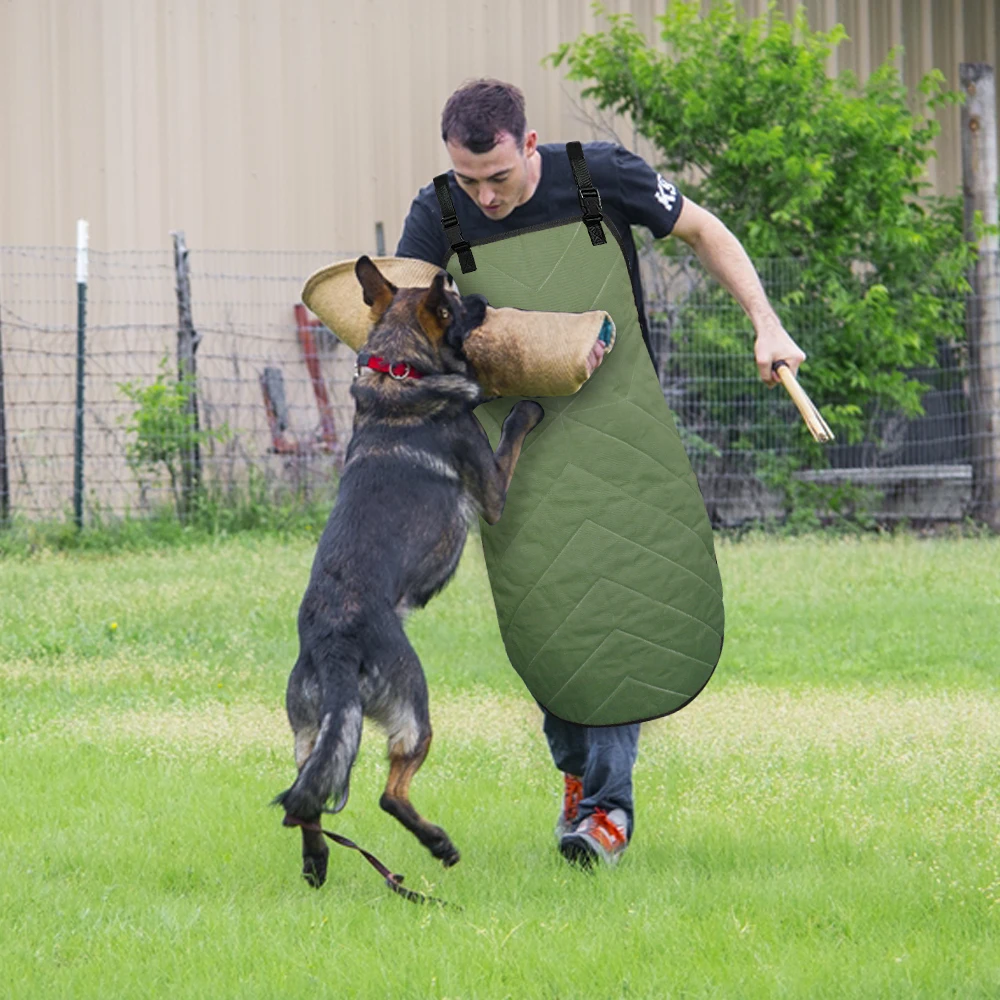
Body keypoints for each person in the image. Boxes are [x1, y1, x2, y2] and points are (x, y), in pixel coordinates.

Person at [395, 78, 805, 868]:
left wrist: (767, 324)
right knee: (553, 621)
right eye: (470, 180)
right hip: (513, 449)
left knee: (619, 604)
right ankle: (580, 777)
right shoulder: (436, 212)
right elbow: (403, 321)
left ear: (531, 146)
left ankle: (607, 813)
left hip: (620, 433)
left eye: (500, 178)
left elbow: (704, 230)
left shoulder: (599, 177)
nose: (485, 197)